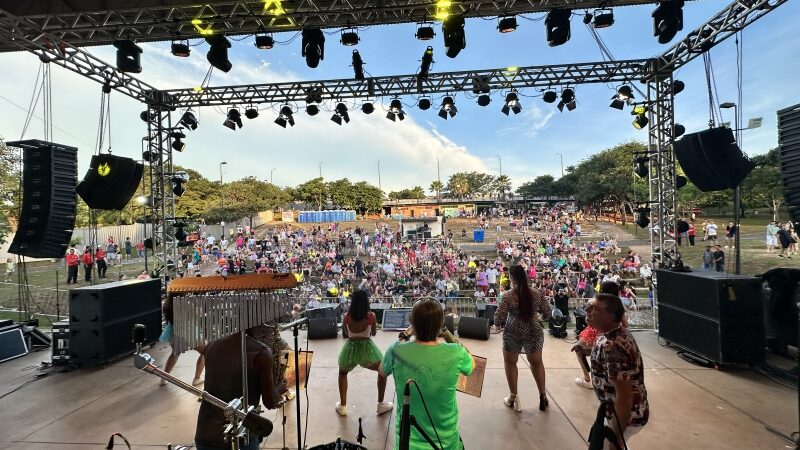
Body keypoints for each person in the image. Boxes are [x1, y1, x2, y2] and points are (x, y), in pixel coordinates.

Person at [380, 299, 475, 450]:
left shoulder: (395, 350)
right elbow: (471, 366)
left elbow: (382, 371)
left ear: (412, 322)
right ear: (441, 324)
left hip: (407, 441)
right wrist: (445, 331)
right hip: (445, 441)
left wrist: (405, 335)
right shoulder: (456, 353)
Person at [194, 325, 286, 450]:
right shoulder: (261, 352)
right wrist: (280, 386)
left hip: (205, 434)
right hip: (238, 438)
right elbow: (270, 402)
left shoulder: (212, 345)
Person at [586, 292, 649, 450]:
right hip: (614, 410)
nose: (587, 310)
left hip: (625, 414)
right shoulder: (613, 333)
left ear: (610, 317)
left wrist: (615, 435)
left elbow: (624, 395)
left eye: (594, 308)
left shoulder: (613, 347)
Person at [494, 265, 551, 412]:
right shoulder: (537, 293)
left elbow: (499, 315)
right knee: (537, 363)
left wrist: (497, 325)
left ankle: (513, 397)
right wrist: (540, 317)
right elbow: (547, 312)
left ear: (512, 278)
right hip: (534, 330)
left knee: (510, 362)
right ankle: (542, 396)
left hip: (513, 331)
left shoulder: (507, 295)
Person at [335, 290, 393, 416]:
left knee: (342, 373)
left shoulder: (346, 317)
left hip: (350, 349)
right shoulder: (371, 316)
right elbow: (374, 333)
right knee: (382, 371)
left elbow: (346, 333)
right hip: (367, 349)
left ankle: (343, 406)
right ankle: (381, 404)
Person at [571, 281, 621, 389]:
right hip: (611, 334)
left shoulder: (594, 303)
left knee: (579, 349)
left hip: (596, 333)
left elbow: (589, 321)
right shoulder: (618, 304)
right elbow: (625, 324)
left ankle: (587, 379)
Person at [160, 296, 207, 388]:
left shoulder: (167, 304)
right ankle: (197, 378)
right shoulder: (186, 304)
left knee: (175, 353)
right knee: (205, 350)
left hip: (172, 331)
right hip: (187, 331)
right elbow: (197, 316)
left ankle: (164, 378)